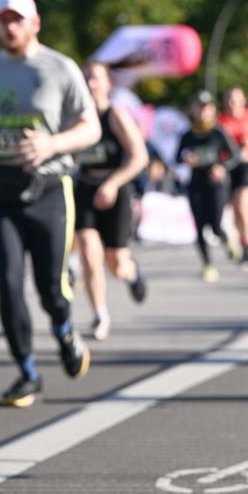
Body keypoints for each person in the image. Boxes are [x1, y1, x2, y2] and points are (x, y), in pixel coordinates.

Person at [0, 0, 101, 407]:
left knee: (50, 289)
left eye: (17, 19)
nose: (10, 26)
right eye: (2, 20)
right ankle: (27, 371)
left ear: (35, 22)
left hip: (50, 189)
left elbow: (91, 127)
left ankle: (64, 331)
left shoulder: (60, 68)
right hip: (1, 189)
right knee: (7, 285)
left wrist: (51, 144)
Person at [75, 61, 149, 341]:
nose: (91, 84)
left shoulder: (115, 115)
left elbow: (139, 156)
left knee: (116, 263)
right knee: (89, 254)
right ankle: (100, 314)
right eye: (87, 78)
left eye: (96, 78)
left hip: (116, 189)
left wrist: (113, 183)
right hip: (85, 188)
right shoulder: (77, 118)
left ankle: (131, 273)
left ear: (107, 84)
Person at [177, 90, 240, 281]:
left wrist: (221, 167)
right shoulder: (188, 134)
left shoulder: (218, 132)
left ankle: (228, 239)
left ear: (212, 109)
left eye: (206, 107)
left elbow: (235, 156)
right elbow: (177, 156)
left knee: (214, 225)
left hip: (216, 185)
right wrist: (186, 158)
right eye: (199, 107)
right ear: (193, 110)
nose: (203, 112)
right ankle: (208, 265)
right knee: (199, 227)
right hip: (196, 183)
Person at [218, 87, 248, 264]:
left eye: (235, 99)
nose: (232, 103)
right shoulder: (220, 121)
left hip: (247, 164)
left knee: (244, 202)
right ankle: (243, 240)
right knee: (235, 209)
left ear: (243, 101)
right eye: (229, 99)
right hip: (229, 166)